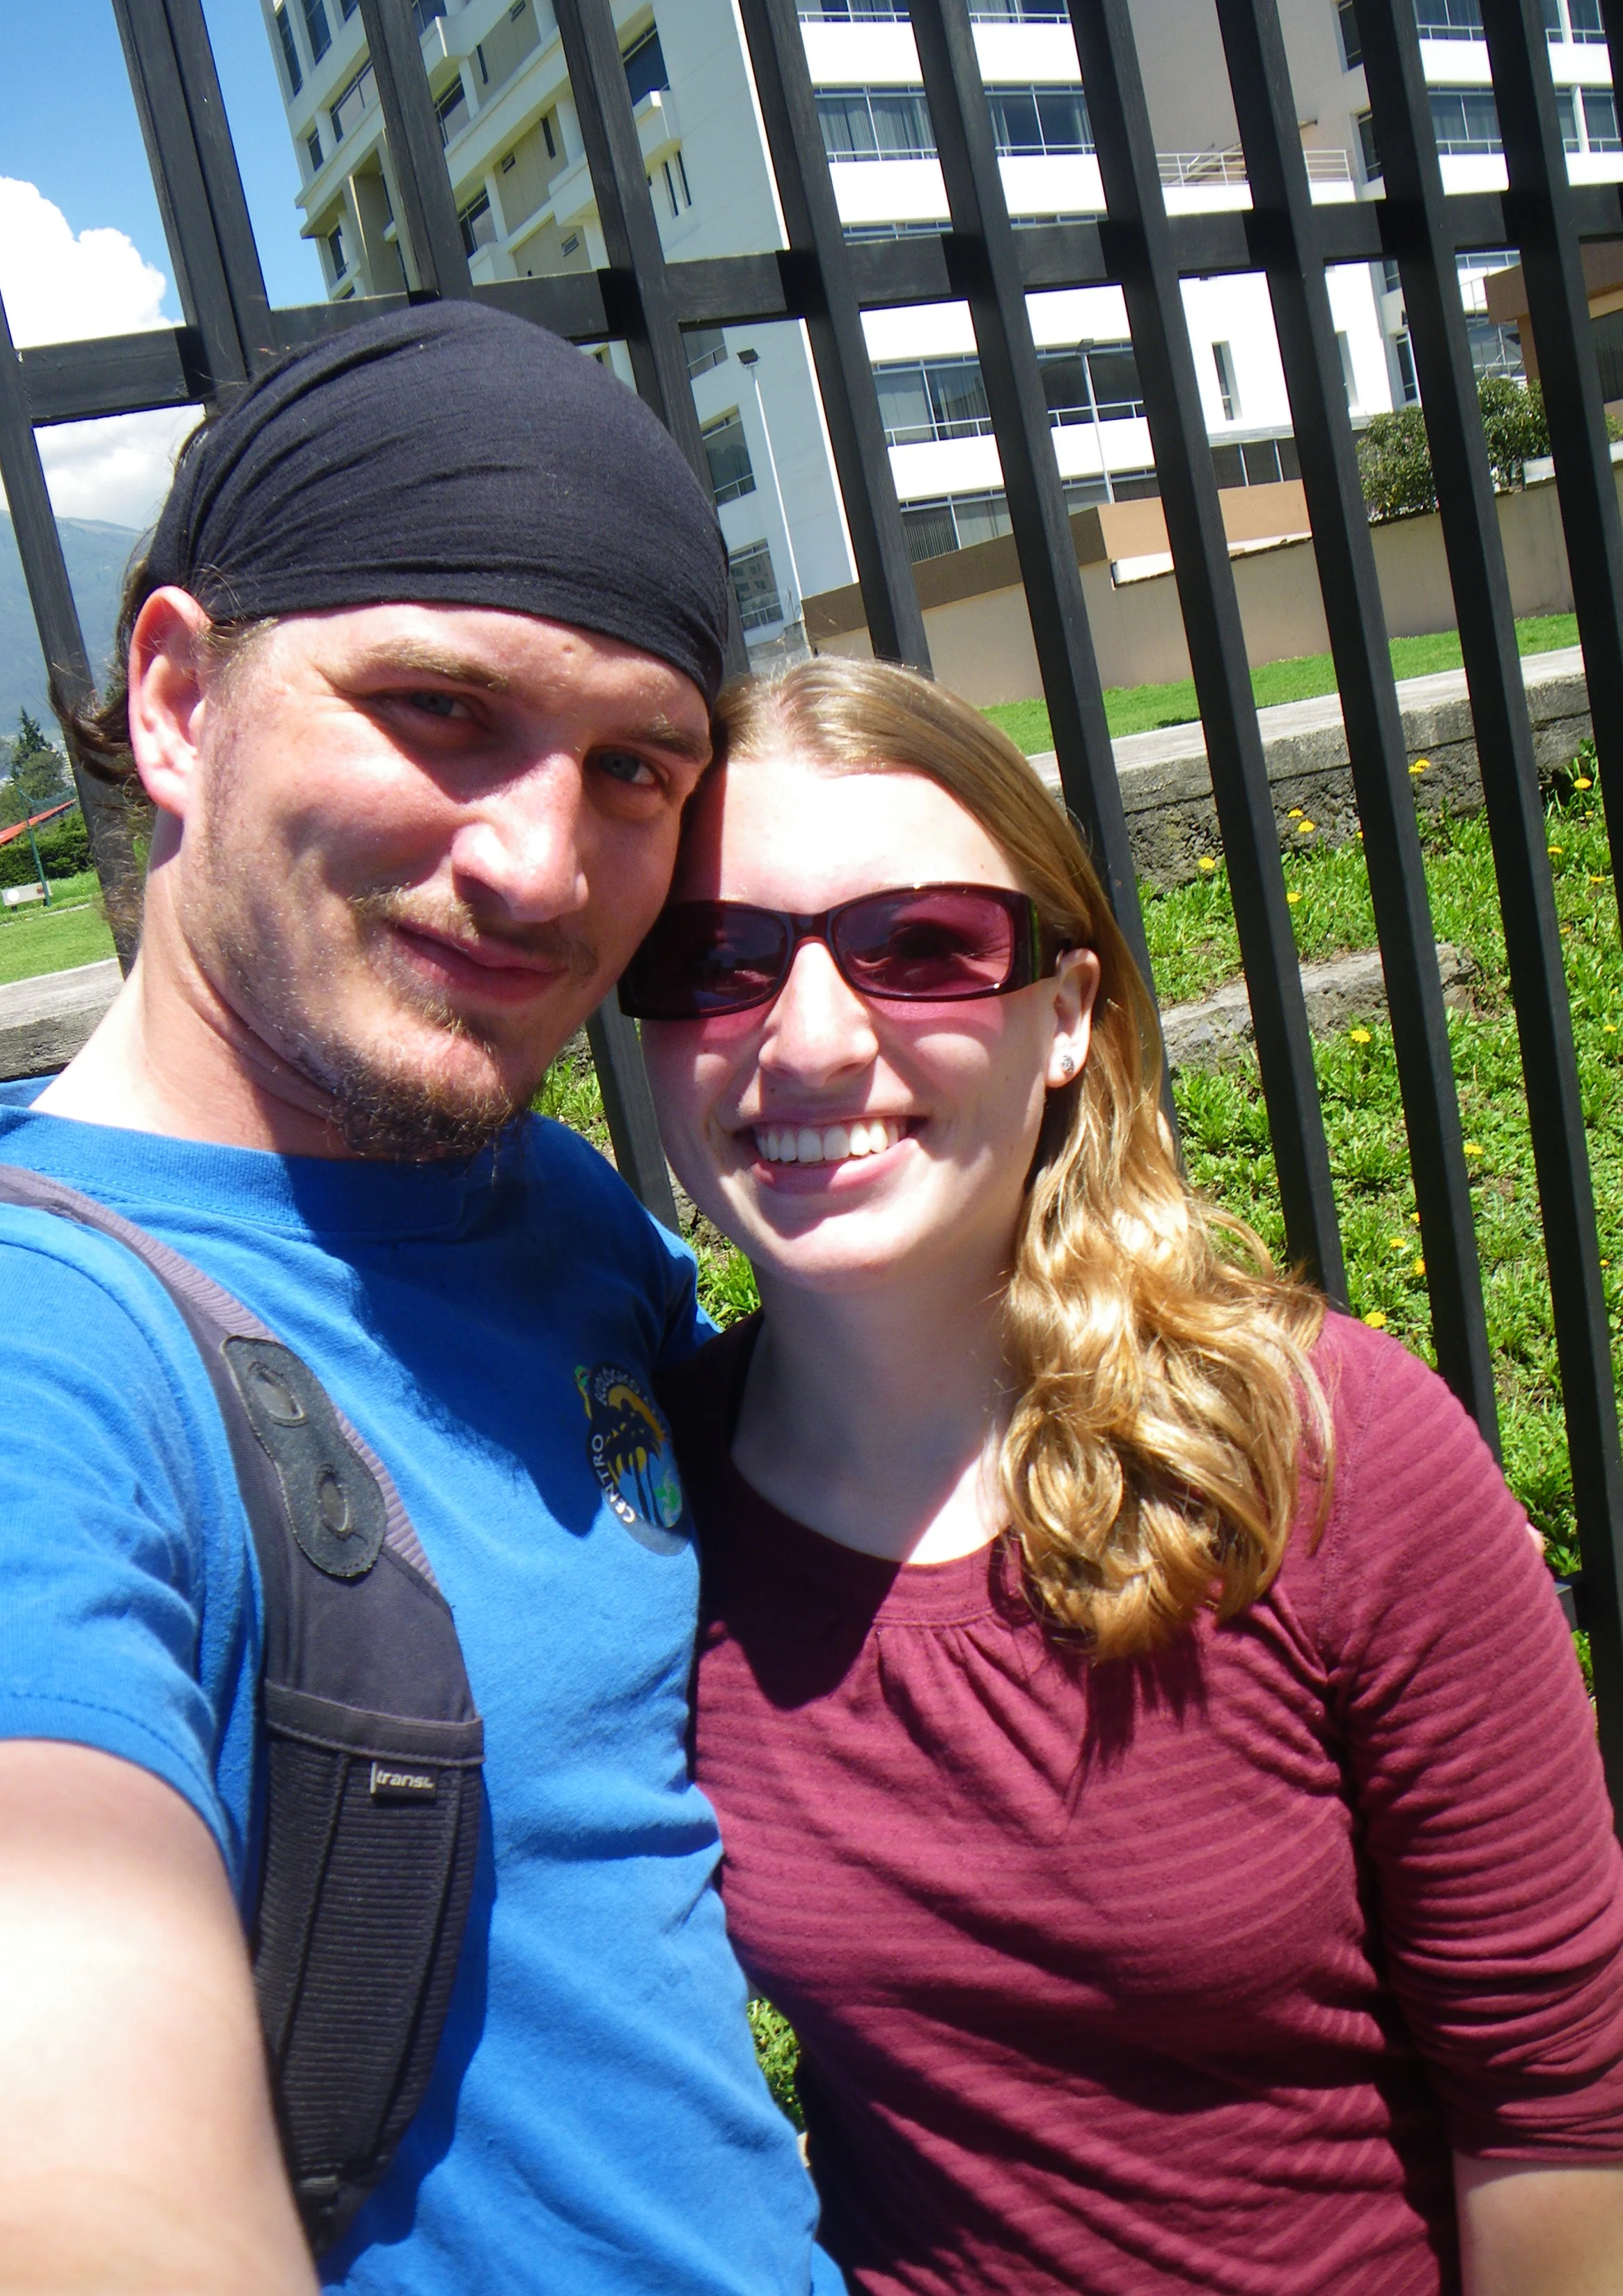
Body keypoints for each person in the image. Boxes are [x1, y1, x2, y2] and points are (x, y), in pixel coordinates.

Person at [0, 304, 842, 2296]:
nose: (536, 862)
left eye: (635, 768)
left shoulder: (563, 1214)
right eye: (437, 709)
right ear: (175, 702)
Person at [631, 655, 1623, 2296]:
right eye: (714, 963)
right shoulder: (647, 1512)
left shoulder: (1312, 1454)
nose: (808, 1037)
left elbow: (1553, 2108)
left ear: (1068, 1013)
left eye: (920, 947)